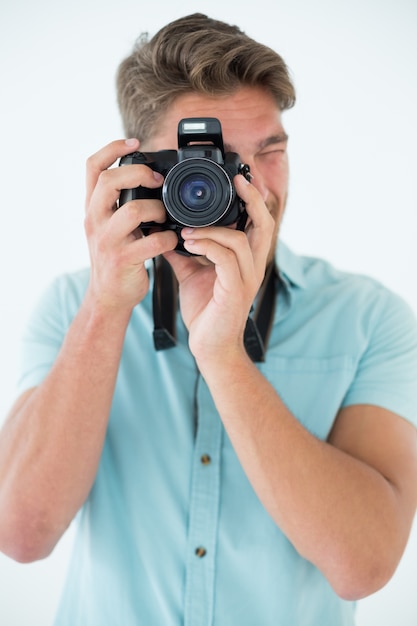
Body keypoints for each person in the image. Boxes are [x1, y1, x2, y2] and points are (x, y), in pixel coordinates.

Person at [1, 13, 417, 626]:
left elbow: (363, 564)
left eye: (268, 154)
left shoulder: (367, 317)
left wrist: (222, 352)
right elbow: (20, 534)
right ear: (139, 169)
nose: (250, 189)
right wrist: (106, 309)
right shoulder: (73, 308)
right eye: (211, 163)